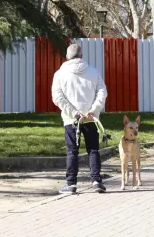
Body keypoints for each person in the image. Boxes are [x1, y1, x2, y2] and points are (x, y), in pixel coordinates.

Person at [51, 43, 108, 194]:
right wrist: (93, 110)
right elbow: (102, 92)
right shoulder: (94, 72)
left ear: (67, 57)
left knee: (72, 151)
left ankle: (71, 184)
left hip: (71, 119)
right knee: (93, 149)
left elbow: (57, 97)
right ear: (81, 56)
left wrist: (74, 113)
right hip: (90, 118)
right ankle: (97, 181)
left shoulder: (59, 74)